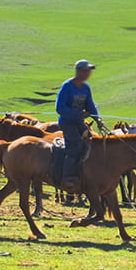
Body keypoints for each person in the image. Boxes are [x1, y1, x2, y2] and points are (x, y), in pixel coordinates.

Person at [55, 59, 105, 188]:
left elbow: (90, 105)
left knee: (91, 142)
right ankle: (67, 176)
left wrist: (97, 119)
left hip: (79, 122)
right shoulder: (67, 86)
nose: (88, 73)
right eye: (85, 70)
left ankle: (86, 172)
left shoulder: (85, 88)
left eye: (88, 71)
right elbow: (59, 108)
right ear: (78, 71)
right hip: (67, 122)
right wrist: (78, 114)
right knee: (75, 144)